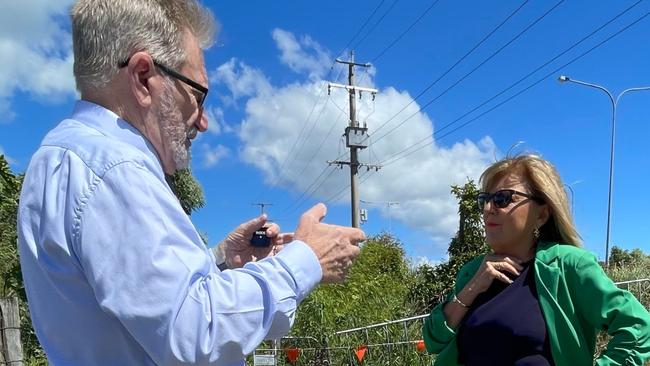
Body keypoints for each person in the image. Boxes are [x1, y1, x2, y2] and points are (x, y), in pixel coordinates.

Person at [16, 1, 365, 365]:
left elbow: (147, 309)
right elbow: (195, 333)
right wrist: (305, 261)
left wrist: (218, 261)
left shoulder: (65, 156)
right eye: (197, 96)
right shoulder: (113, 168)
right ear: (141, 77)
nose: (203, 122)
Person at [422, 154, 650, 365]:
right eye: (485, 199)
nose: (489, 209)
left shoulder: (567, 266)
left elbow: (640, 329)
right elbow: (433, 341)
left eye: (503, 198)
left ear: (541, 214)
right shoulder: (472, 272)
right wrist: (471, 288)